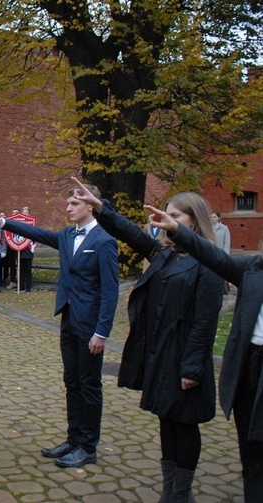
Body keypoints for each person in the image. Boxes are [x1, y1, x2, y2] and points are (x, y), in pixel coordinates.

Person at [73, 180, 223, 501]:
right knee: (167, 422)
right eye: (164, 214)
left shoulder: (208, 263)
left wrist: (192, 368)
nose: (164, 221)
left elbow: (205, 323)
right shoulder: (166, 255)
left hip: (185, 360)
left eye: (175, 216)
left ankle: (181, 493)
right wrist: (101, 208)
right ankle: (170, 490)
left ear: (193, 221)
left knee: (184, 426)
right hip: (163, 355)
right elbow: (132, 234)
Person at [0, 183, 119, 468]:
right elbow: (36, 233)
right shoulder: (68, 235)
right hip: (68, 319)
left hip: (90, 326)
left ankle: (88, 446)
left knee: (89, 385)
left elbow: (110, 292)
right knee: (71, 382)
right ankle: (73, 439)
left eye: (74, 203)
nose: (68, 208)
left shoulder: (104, 241)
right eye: (68, 204)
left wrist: (102, 332)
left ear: (90, 205)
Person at [147, 205, 263, 502]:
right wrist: (176, 229)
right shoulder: (253, 268)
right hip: (250, 364)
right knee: (251, 450)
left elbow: (204, 320)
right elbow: (210, 254)